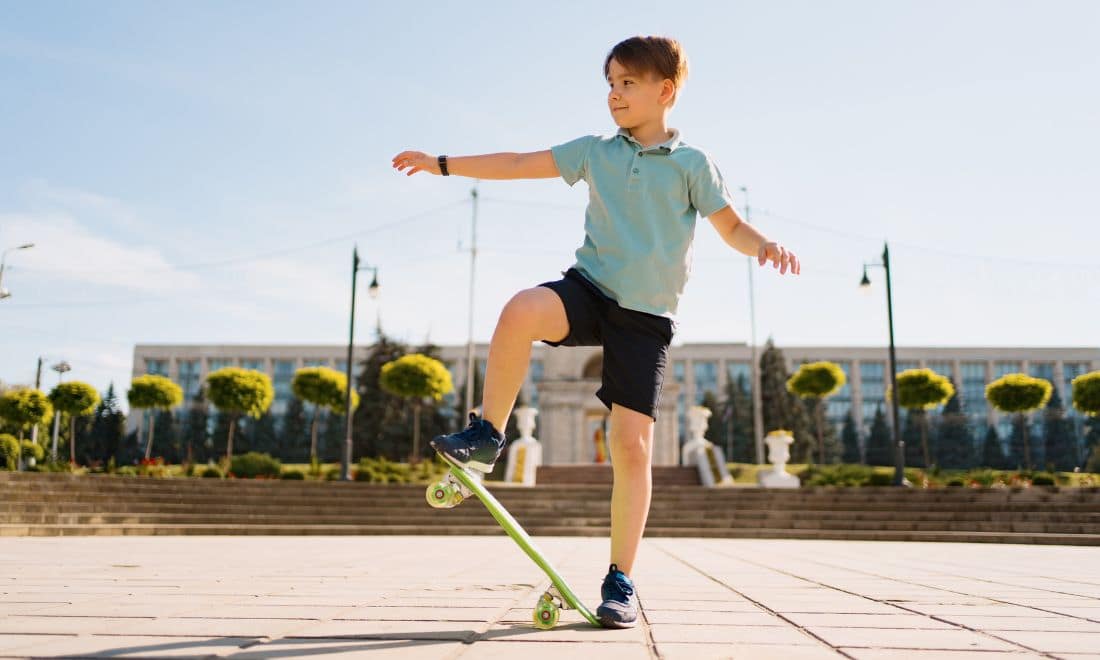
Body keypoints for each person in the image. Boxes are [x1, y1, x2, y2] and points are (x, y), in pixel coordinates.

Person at [391, 35, 800, 629]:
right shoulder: (595, 152)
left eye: (628, 83)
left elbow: (731, 226)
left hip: (646, 317)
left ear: (665, 90)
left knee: (631, 447)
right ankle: (487, 435)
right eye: (610, 83)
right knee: (520, 310)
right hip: (590, 289)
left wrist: (764, 246)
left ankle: (620, 579)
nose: (615, 94)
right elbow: (518, 163)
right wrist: (443, 164)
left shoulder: (692, 164)